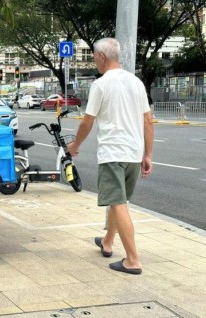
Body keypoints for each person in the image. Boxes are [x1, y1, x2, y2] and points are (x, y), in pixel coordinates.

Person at [67, 38, 154, 275]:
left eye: (94, 56)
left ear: (102, 57)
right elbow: (147, 120)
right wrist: (147, 154)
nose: (94, 61)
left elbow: (87, 121)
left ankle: (133, 260)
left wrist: (75, 145)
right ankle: (107, 241)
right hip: (133, 153)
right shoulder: (136, 82)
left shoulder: (101, 84)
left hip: (112, 153)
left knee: (117, 203)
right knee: (121, 202)